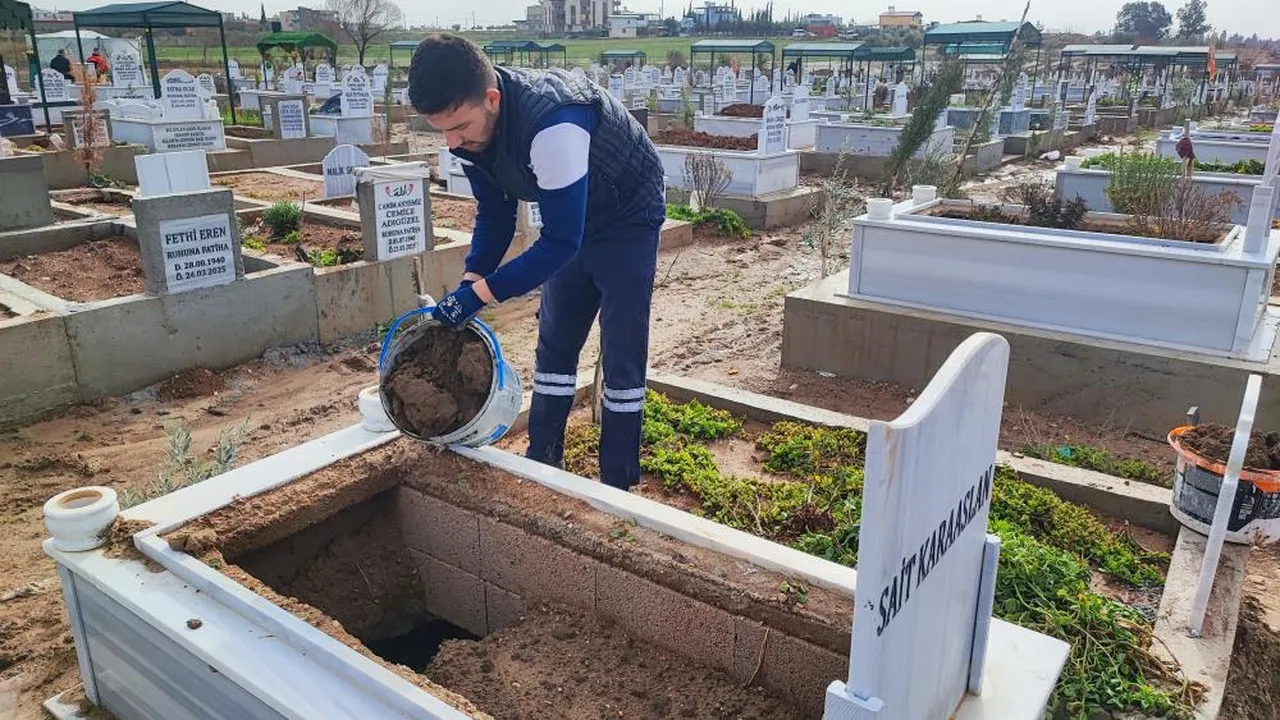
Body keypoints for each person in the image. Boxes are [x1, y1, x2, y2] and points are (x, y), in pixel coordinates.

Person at [407, 34, 665, 490]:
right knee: (556, 343)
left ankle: (618, 485)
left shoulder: (554, 124)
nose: (451, 142)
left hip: (626, 216)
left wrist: (481, 297)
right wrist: (471, 281)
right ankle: (543, 463)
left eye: (459, 126)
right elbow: (496, 211)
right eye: (441, 129)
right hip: (571, 218)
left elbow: (561, 241)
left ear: (491, 98)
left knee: (623, 353)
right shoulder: (469, 136)